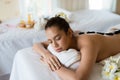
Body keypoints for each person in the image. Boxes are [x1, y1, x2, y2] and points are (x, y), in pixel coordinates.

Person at [33, 16, 120, 80]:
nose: (54, 45)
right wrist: (47, 55)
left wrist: (52, 65)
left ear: (69, 32)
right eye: (50, 41)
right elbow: (37, 45)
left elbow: (79, 78)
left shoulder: (88, 44)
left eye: (58, 38)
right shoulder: (67, 40)